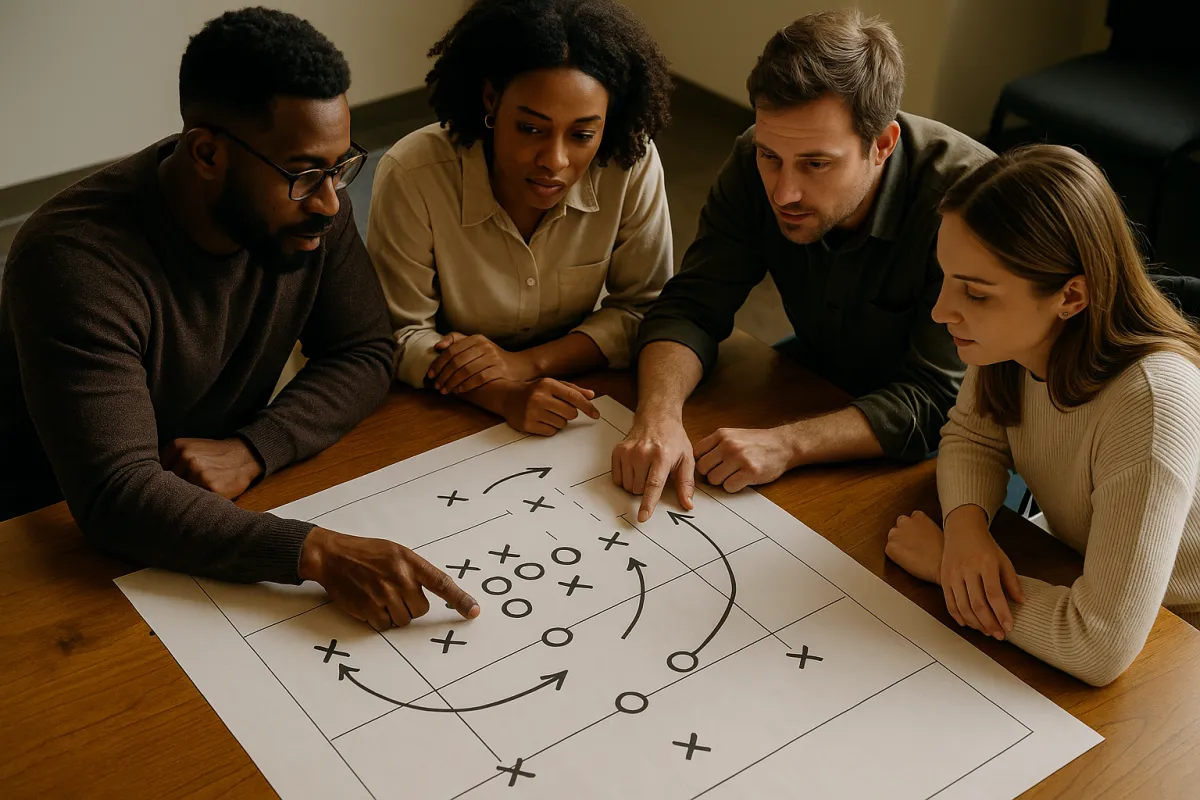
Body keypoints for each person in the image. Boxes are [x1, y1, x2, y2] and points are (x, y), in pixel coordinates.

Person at [0, 8, 478, 630]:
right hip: (48, 535)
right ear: (206, 152)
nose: (333, 202)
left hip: (214, 502)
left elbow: (363, 350)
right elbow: (115, 493)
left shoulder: (310, 208)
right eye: (306, 174)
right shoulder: (74, 261)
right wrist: (316, 551)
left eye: (340, 168)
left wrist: (254, 449)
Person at [611, 9, 993, 523]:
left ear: (882, 145)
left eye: (816, 164)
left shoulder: (968, 203)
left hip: (963, 437)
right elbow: (691, 307)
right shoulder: (754, 157)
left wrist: (787, 444)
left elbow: (934, 404)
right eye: (772, 157)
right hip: (818, 378)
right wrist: (656, 416)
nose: (784, 192)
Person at [884, 145, 1200, 686]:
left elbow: (1099, 643)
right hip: (1076, 564)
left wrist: (946, 571)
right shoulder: (1011, 341)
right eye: (946, 277)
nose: (941, 311)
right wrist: (964, 531)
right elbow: (971, 437)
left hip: (1176, 632)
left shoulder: (1153, 402)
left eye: (976, 294)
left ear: (1071, 296)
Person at [368, 0, 673, 437]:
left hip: (576, 385)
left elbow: (646, 309)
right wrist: (502, 392)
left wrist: (525, 364)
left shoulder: (629, 161)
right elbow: (397, 335)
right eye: (531, 129)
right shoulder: (413, 174)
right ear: (491, 98)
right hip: (438, 407)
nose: (555, 160)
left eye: (583, 135)